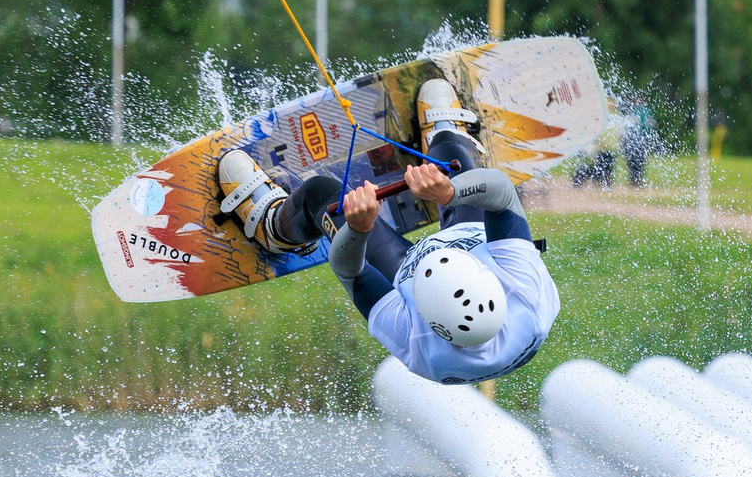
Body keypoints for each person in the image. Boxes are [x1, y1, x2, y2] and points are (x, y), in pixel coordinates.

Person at [222, 78, 558, 384]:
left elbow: (349, 272)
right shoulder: (523, 290)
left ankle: (274, 228)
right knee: (450, 159)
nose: (437, 251)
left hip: (403, 266)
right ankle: (443, 138)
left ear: (424, 314)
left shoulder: (420, 345)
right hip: (473, 240)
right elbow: (500, 191)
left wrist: (358, 229)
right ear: (489, 277)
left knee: (322, 193)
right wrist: (447, 193)